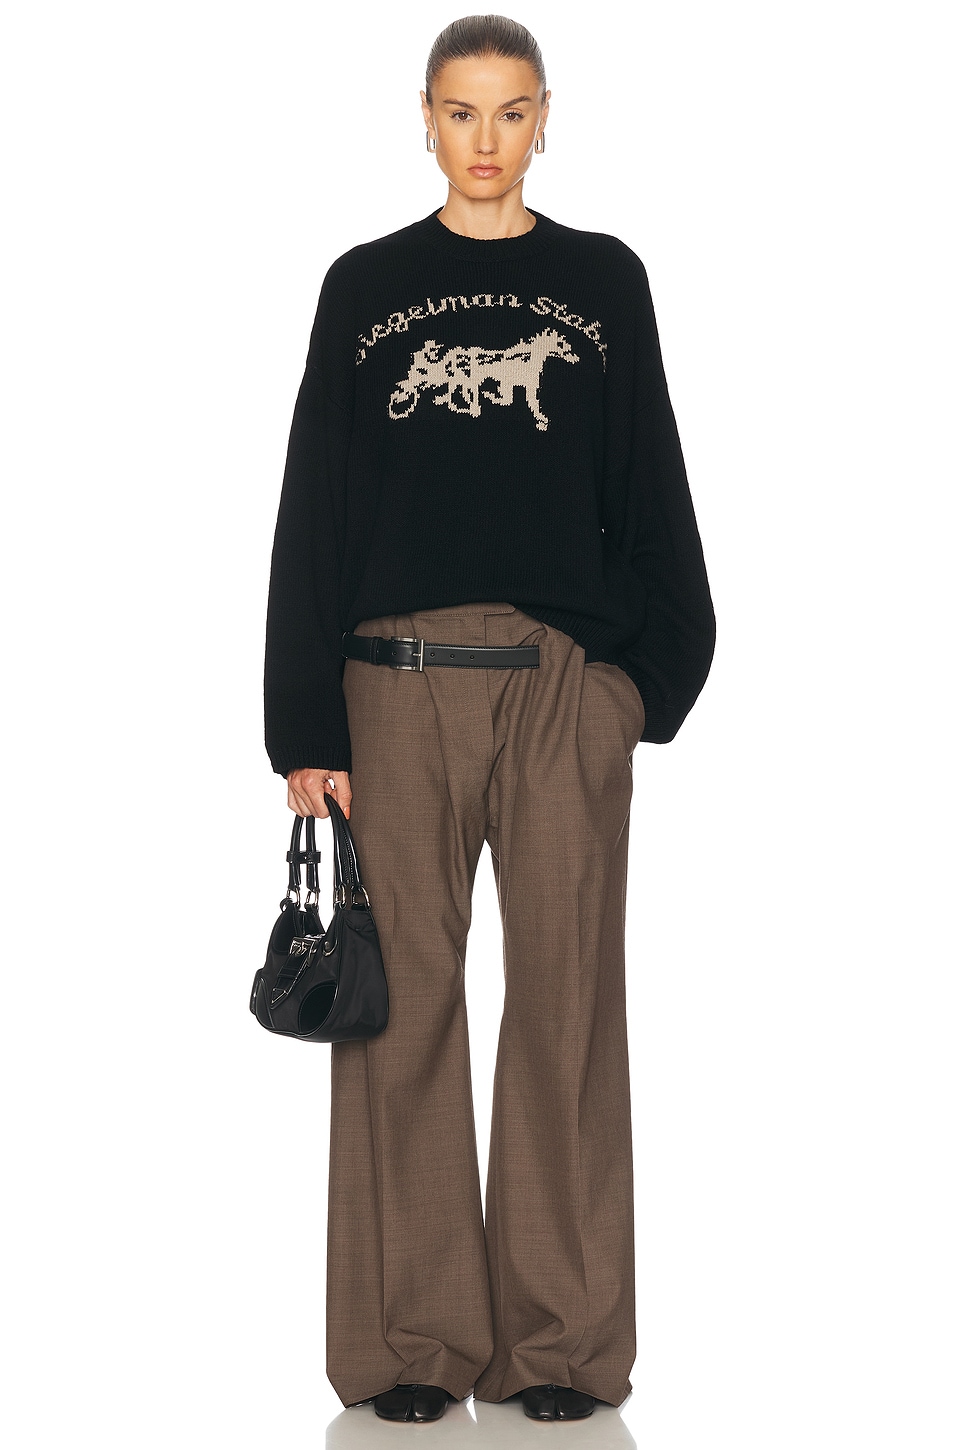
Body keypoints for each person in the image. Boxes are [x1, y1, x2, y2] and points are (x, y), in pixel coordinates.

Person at [263, 13, 715, 1426]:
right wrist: (304, 724)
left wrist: (640, 682)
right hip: (390, 685)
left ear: (544, 119)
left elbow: (649, 483)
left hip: (561, 688)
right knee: (399, 1013)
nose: (484, 139)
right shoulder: (364, 286)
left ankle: (562, 1348)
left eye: (510, 112)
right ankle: (413, 1343)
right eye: (460, 111)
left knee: (568, 1007)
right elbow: (314, 503)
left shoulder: (602, 281)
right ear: (423, 117)